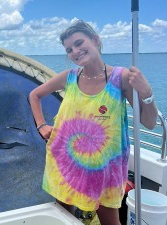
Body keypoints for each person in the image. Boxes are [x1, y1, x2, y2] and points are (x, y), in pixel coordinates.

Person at [29, 19, 158, 225]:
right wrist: (41, 124)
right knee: (64, 218)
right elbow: (34, 95)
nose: (75, 51)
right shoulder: (69, 77)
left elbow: (149, 123)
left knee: (110, 222)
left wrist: (147, 93)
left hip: (105, 171)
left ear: (95, 40)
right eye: (69, 49)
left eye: (79, 43)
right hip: (66, 163)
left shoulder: (121, 77)